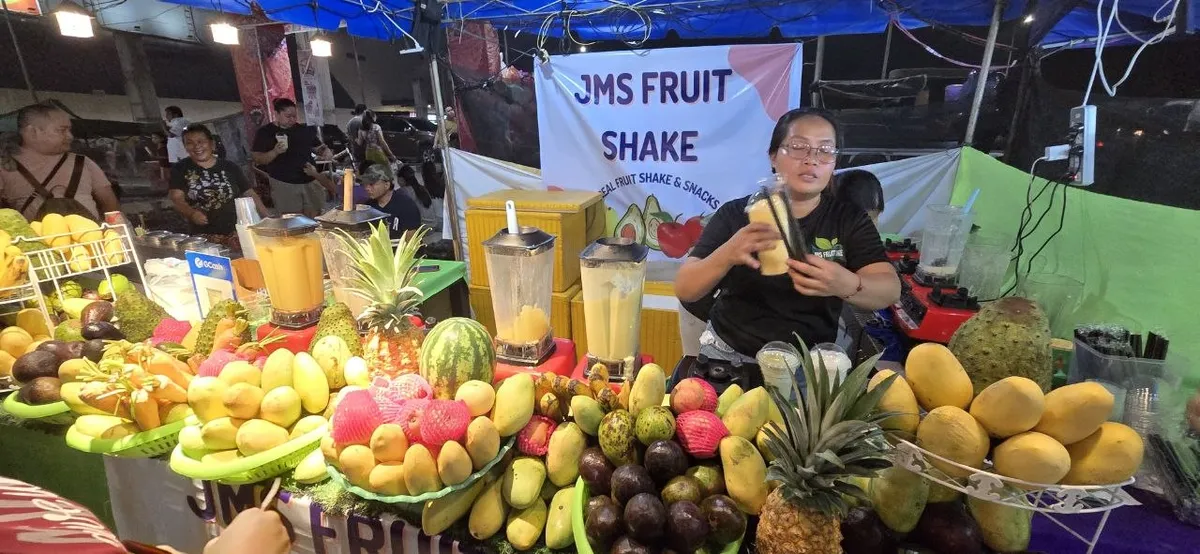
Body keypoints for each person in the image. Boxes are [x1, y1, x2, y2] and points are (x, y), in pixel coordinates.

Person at [674, 108, 900, 366]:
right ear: (773, 157)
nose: (811, 159)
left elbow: (890, 289)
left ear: (834, 162)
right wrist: (729, 252)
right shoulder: (736, 214)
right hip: (731, 358)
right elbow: (686, 288)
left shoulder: (848, 219)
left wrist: (847, 284)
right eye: (798, 147)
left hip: (808, 365)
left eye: (825, 150)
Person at [0, 103, 120, 220]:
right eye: (62, 130)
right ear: (33, 132)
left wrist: (115, 233)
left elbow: (111, 207)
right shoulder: (4, 168)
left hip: (91, 238)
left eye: (69, 130)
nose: (70, 136)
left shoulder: (83, 163)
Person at [169, 125, 267, 244]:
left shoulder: (230, 167)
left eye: (201, 141)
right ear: (185, 147)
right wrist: (192, 213)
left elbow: (250, 193)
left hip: (236, 232)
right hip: (203, 236)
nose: (196, 146)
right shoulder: (180, 168)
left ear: (211, 143)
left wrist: (267, 218)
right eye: (190, 143)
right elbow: (177, 198)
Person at [251, 98, 326, 217]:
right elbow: (258, 158)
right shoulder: (265, 133)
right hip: (284, 183)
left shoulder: (303, 130)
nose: (292, 119)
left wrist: (325, 151)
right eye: (288, 116)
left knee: (316, 217)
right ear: (276, 114)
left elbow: (318, 147)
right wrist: (275, 152)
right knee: (292, 220)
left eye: (294, 116)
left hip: (309, 180)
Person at [360, 162, 421, 240]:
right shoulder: (368, 207)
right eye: (365, 184)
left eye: (371, 184)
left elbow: (410, 242)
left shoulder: (406, 205)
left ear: (387, 185)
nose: (367, 188)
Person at [398, 164, 442, 231]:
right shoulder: (422, 188)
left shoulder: (403, 191)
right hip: (433, 224)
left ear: (401, 179)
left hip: (422, 228)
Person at [355, 110, 397, 176]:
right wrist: (391, 155)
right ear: (372, 117)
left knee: (372, 172)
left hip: (368, 153)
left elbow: (360, 143)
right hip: (377, 151)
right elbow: (382, 142)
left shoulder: (361, 129)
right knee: (388, 172)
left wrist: (355, 139)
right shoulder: (376, 127)